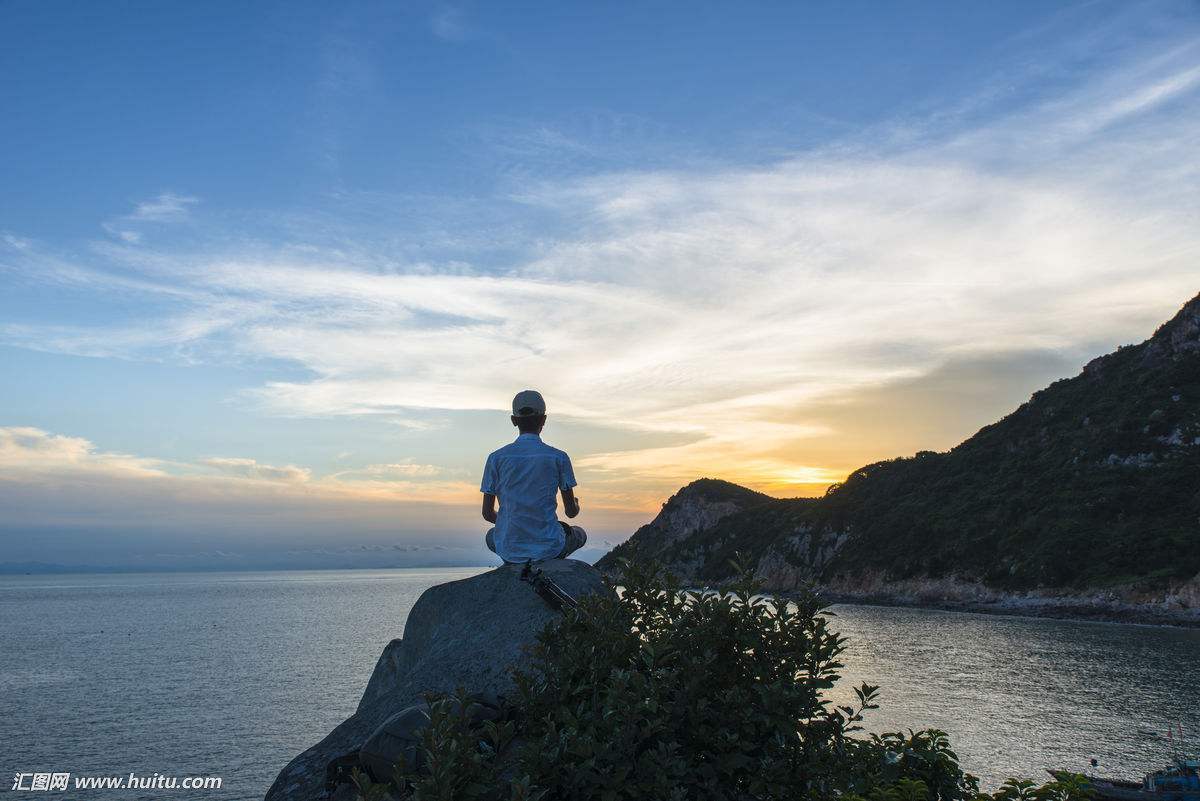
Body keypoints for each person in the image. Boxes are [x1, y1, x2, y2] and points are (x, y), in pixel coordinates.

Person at [480, 389, 586, 563]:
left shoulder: (496, 458)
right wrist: (576, 504)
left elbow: (487, 513)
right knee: (580, 534)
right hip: (549, 548)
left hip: (509, 549)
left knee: (491, 536)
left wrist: (514, 521)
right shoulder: (558, 457)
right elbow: (571, 512)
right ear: (544, 419)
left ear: (514, 421)